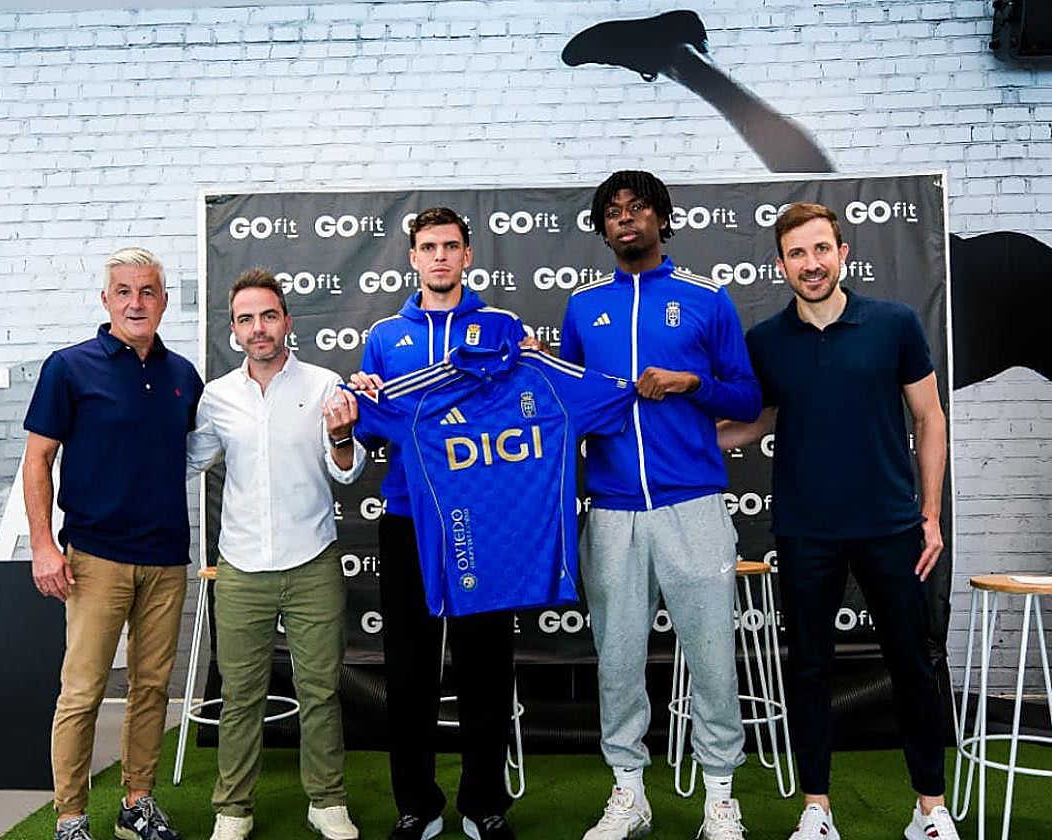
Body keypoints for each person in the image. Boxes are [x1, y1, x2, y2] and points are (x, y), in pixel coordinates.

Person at [718, 203, 958, 840]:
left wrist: (930, 513)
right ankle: (816, 809)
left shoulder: (895, 323)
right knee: (810, 669)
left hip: (891, 526)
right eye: (797, 254)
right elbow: (755, 421)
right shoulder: (765, 340)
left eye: (821, 249)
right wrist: (664, 441)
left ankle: (930, 809)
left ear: (843, 253)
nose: (811, 263)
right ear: (782, 265)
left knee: (912, 662)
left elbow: (929, 418)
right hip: (805, 530)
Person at [559, 170, 761, 840]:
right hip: (613, 510)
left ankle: (720, 797)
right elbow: (570, 411)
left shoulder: (707, 299)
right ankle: (628, 795)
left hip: (694, 505)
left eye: (636, 208)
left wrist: (690, 382)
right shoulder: (584, 308)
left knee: (710, 655)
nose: (624, 219)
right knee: (616, 657)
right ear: (602, 228)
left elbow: (744, 399)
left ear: (662, 218)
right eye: (612, 212)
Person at [349, 207, 527, 840]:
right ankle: (417, 805)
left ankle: (485, 803)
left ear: (468, 255)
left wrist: (528, 360)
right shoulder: (384, 338)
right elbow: (369, 432)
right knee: (409, 668)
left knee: (487, 665)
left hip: (486, 521)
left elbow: (527, 409)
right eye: (429, 247)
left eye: (451, 246)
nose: (441, 257)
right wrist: (361, 400)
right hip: (408, 520)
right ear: (413, 258)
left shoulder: (504, 327)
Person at [23, 247, 203, 840]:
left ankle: (137, 804)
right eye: (124, 291)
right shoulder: (69, 367)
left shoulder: (183, 376)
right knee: (83, 691)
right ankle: (71, 815)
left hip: (166, 559)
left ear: (163, 301)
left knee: (152, 689)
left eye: (147, 291)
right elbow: (38, 459)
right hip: (94, 558)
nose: (136, 302)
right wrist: (44, 546)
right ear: (106, 301)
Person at [186, 269, 366, 840]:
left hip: (312, 560)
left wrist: (340, 437)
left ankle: (327, 801)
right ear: (234, 331)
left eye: (268, 316)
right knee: (239, 696)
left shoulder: (323, 383)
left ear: (286, 322)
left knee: (320, 691)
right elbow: (188, 460)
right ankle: (233, 810)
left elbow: (349, 470)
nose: (258, 328)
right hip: (240, 568)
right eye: (246, 319)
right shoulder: (216, 398)